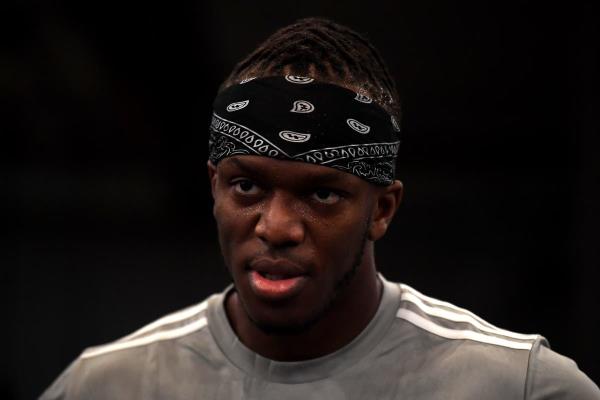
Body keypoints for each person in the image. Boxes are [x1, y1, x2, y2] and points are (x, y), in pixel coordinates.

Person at [41, 17, 599, 399]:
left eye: (322, 194)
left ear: (382, 209)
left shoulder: (517, 386)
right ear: (214, 186)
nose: (277, 227)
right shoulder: (107, 386)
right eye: (246, 186)